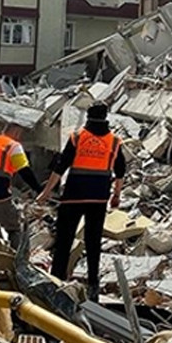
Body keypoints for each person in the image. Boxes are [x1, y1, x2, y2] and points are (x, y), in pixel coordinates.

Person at [38, 103, 127, 300]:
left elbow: (61, 167)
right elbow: (120, 171)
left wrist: (46, 192)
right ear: (106, 117)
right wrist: (116, 195)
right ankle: (93, 285)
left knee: (64, 240)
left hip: (73, 197)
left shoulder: (77, 137)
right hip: (98, 198)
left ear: (88, 116)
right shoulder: (114, 142)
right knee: (93, 242)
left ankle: (56, 282)